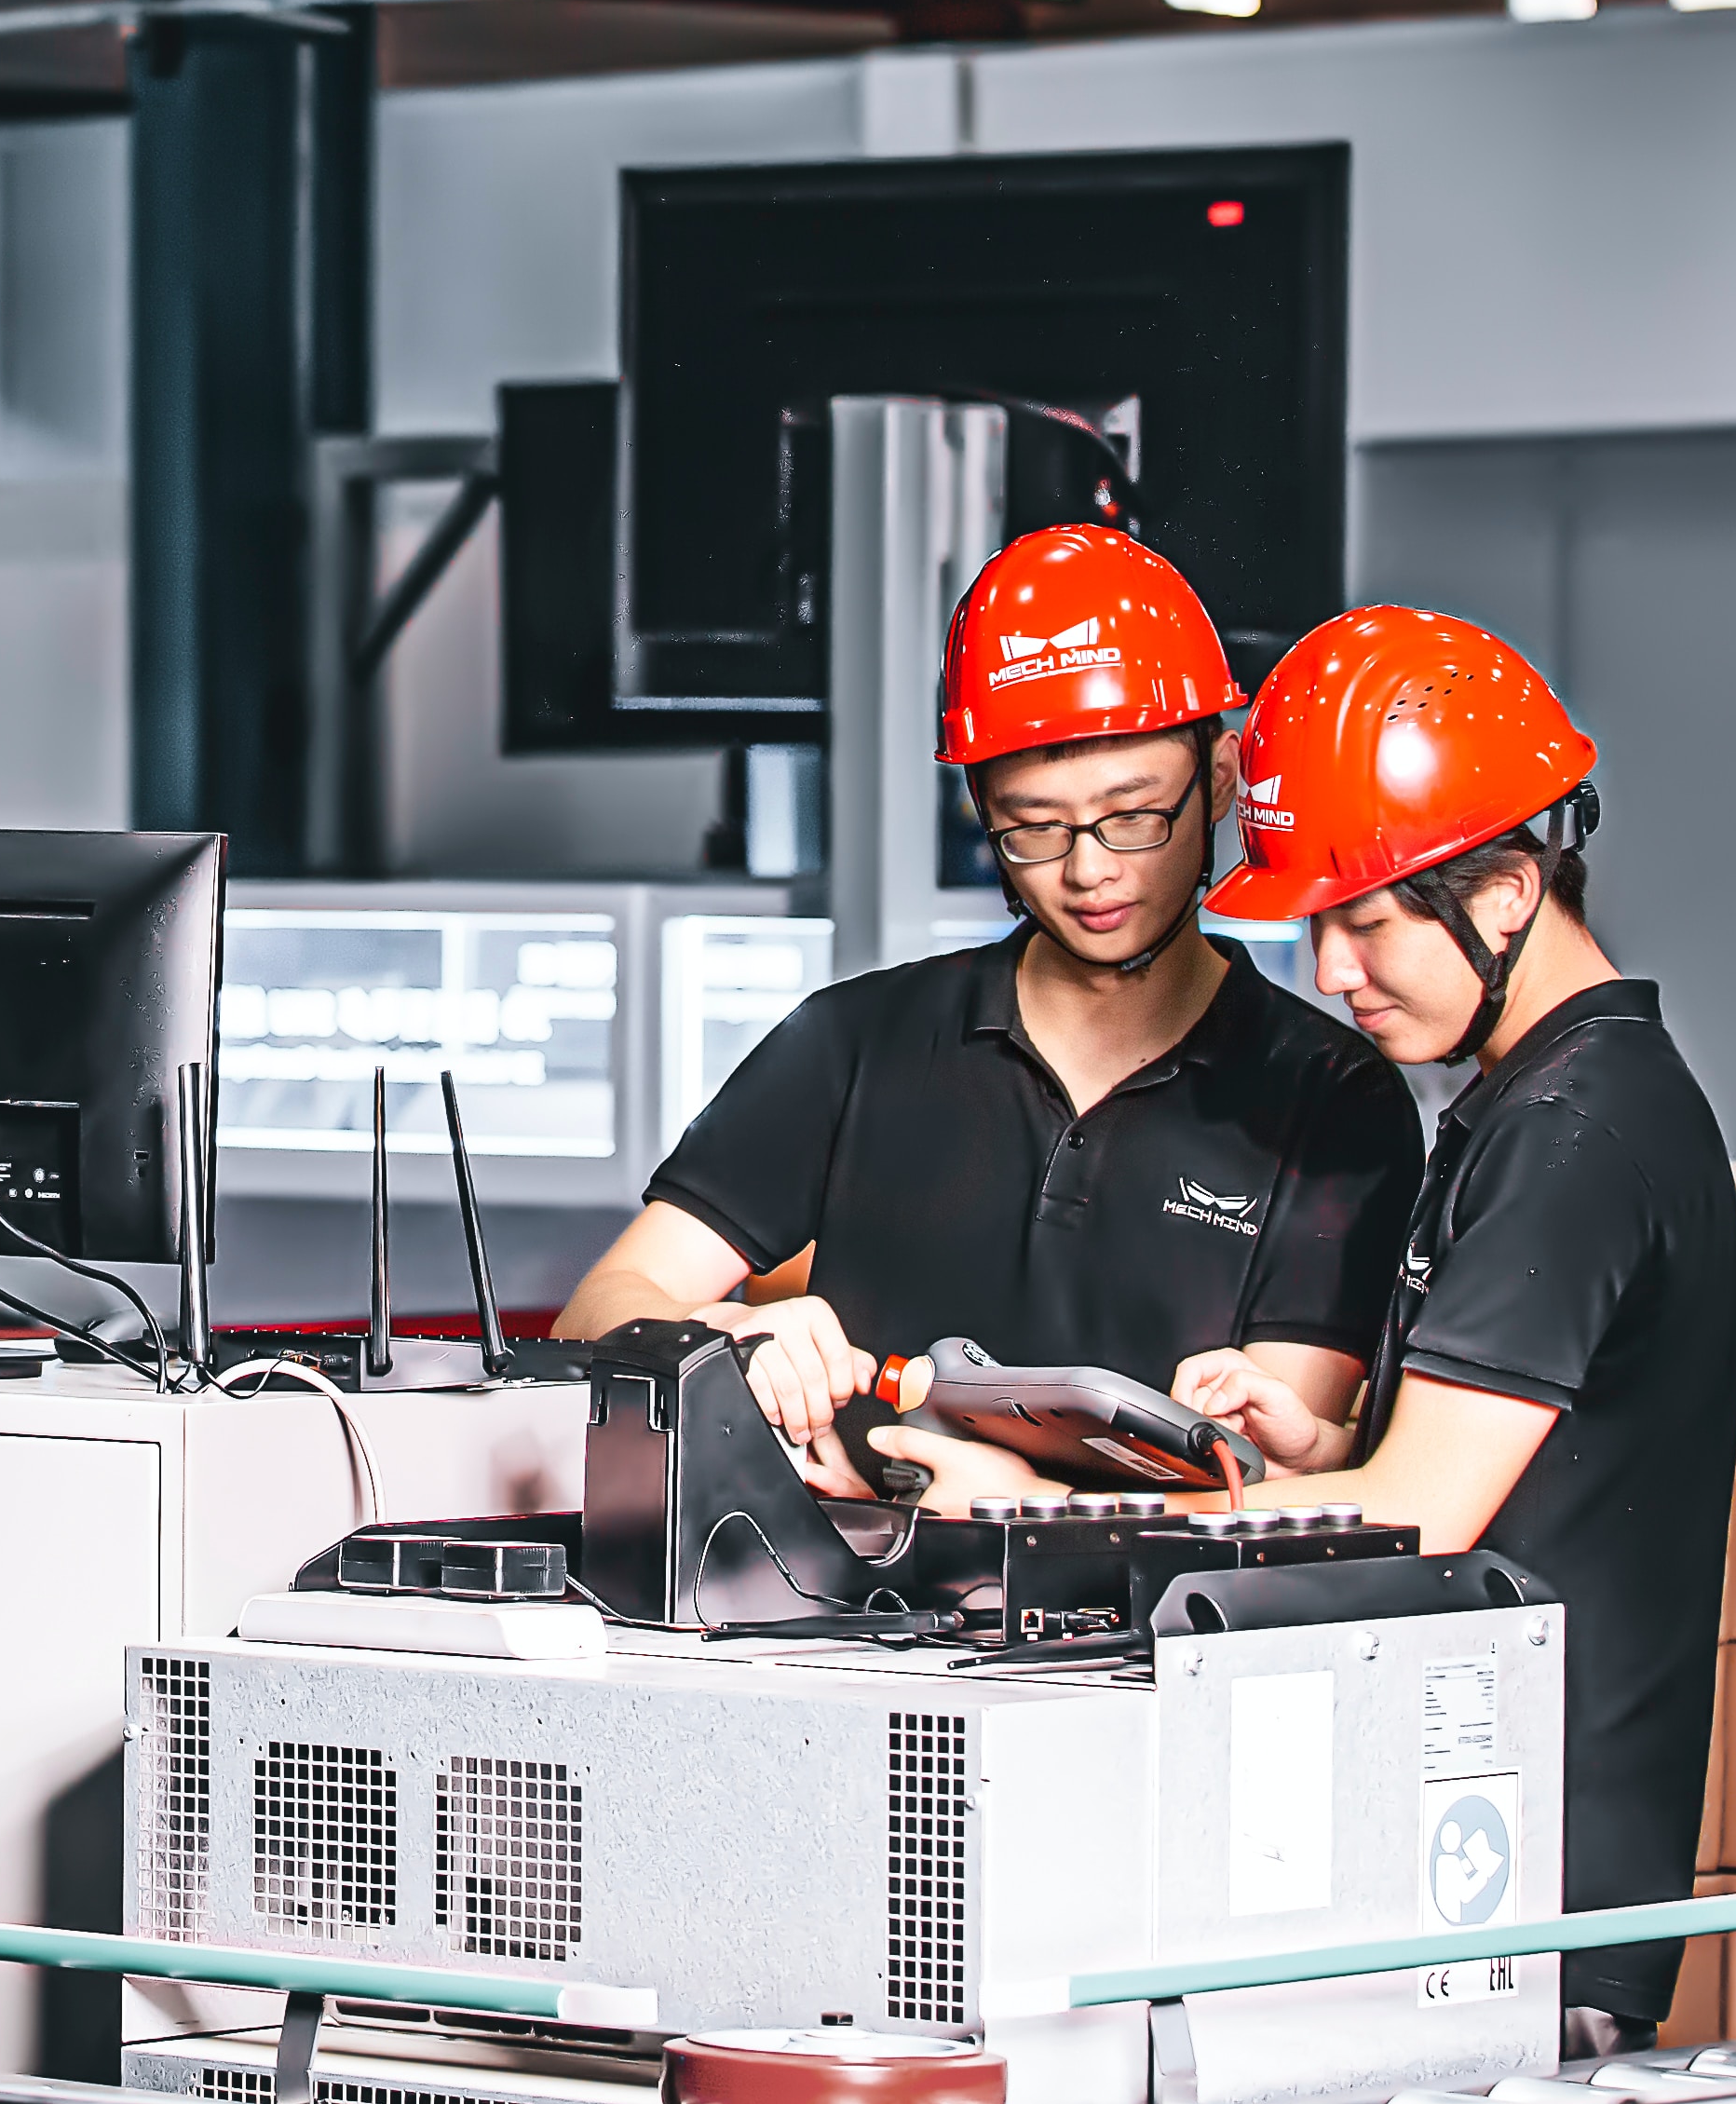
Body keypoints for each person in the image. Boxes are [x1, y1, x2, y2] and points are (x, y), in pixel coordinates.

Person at [863, 604, 1736, 2062]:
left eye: (1365, 919)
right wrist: (1307, 1442)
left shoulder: (1578, 1136)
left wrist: (1039, 1515)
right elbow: (1482, 1472)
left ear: (1508, 889)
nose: (1332, 972)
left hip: (1518, 1901)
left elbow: (1418, 1523)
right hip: (1480, 1865)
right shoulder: (1534, 1108)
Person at [549, 523, 1421, 1484]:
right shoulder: (855, 1042)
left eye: (1133, 815)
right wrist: (717, 1338)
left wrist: (1022, 1505)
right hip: (826, 1612)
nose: (1090, 872)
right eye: (1033, 829)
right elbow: (597, 1312)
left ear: (1218, 778)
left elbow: (1266, 1473)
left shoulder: (1332, 1103)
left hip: (1153, 1624)